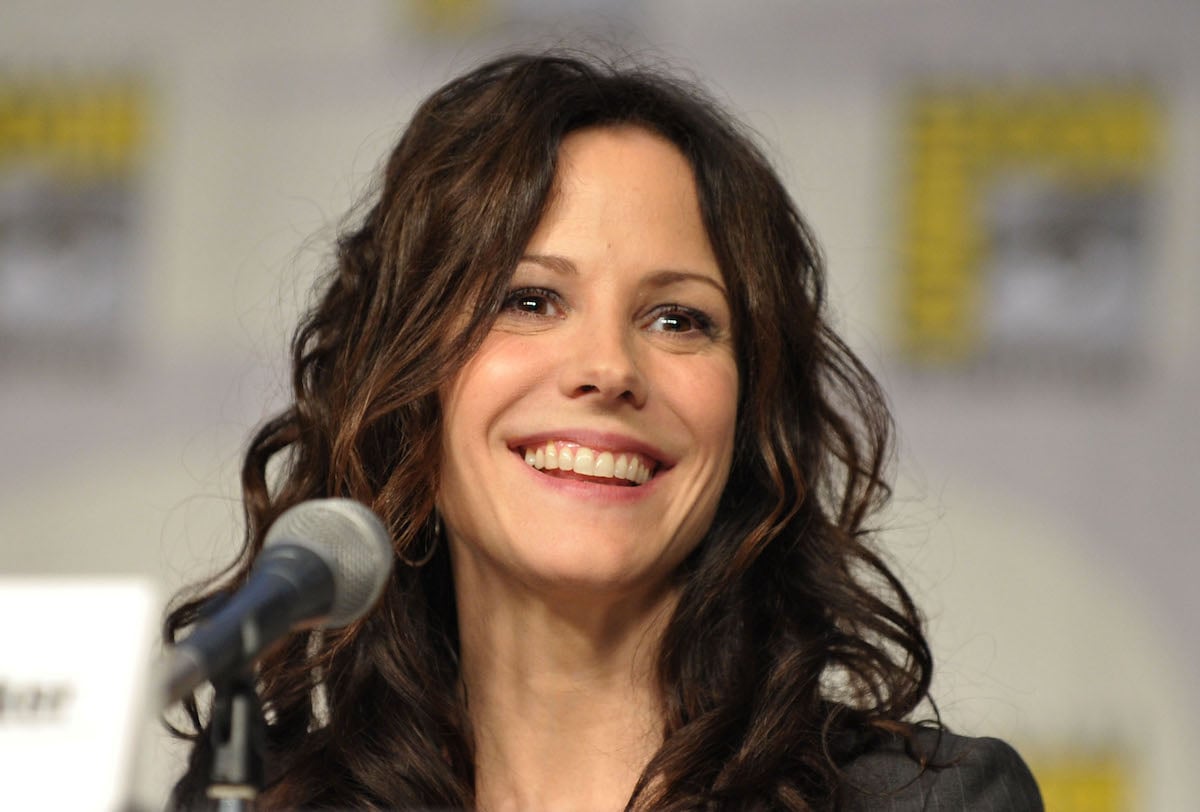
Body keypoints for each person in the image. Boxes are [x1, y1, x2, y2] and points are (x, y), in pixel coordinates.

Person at [165, 51, 1043, 810]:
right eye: (530, 300)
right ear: (407, 386)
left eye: (678, 319)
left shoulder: (926, 803)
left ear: (749, 416)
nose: (610, 368)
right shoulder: (263, 798)